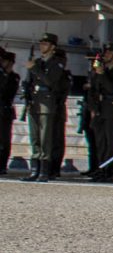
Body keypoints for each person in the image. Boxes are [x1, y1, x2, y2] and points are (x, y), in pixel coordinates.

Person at [22, 33, 70, 182]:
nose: (42, 46)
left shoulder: (57, 63)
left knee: (45, 139)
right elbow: (29, 82)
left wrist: (35, 68)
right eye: (41, 43)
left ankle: (44, 171)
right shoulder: (37, 62)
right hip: (35, 102)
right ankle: (34, 169)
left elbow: (50, 81)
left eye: (45, 43)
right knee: (34, 137)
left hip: (47, 102)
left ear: (52, 47)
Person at [83, 43, 113, 182]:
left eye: (109, 53)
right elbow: (92, 90)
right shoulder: (100, 70)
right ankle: (100, 169)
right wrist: (92, 108)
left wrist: (102, 75)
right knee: (100, 142)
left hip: (112, 108)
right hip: (99, 109)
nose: (106, 55)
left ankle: (109, 171)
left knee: (110, 143)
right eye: (106, 53)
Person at [0, 49, 17, 178]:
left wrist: (6, 75)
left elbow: (7, 92)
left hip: (5, 111)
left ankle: (2, 165)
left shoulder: (14, 77)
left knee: (4, 141)